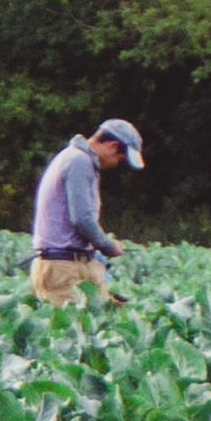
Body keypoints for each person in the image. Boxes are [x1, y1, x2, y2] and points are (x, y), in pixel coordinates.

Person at [28, 116, 143, 303]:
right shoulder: (79, 161)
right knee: (70, 330)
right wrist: (108, 246)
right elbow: (82, 219)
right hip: (63, 268)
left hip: (73, 263)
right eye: (120, 158)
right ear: (113, 146)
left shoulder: (78, 158)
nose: (117, 164)